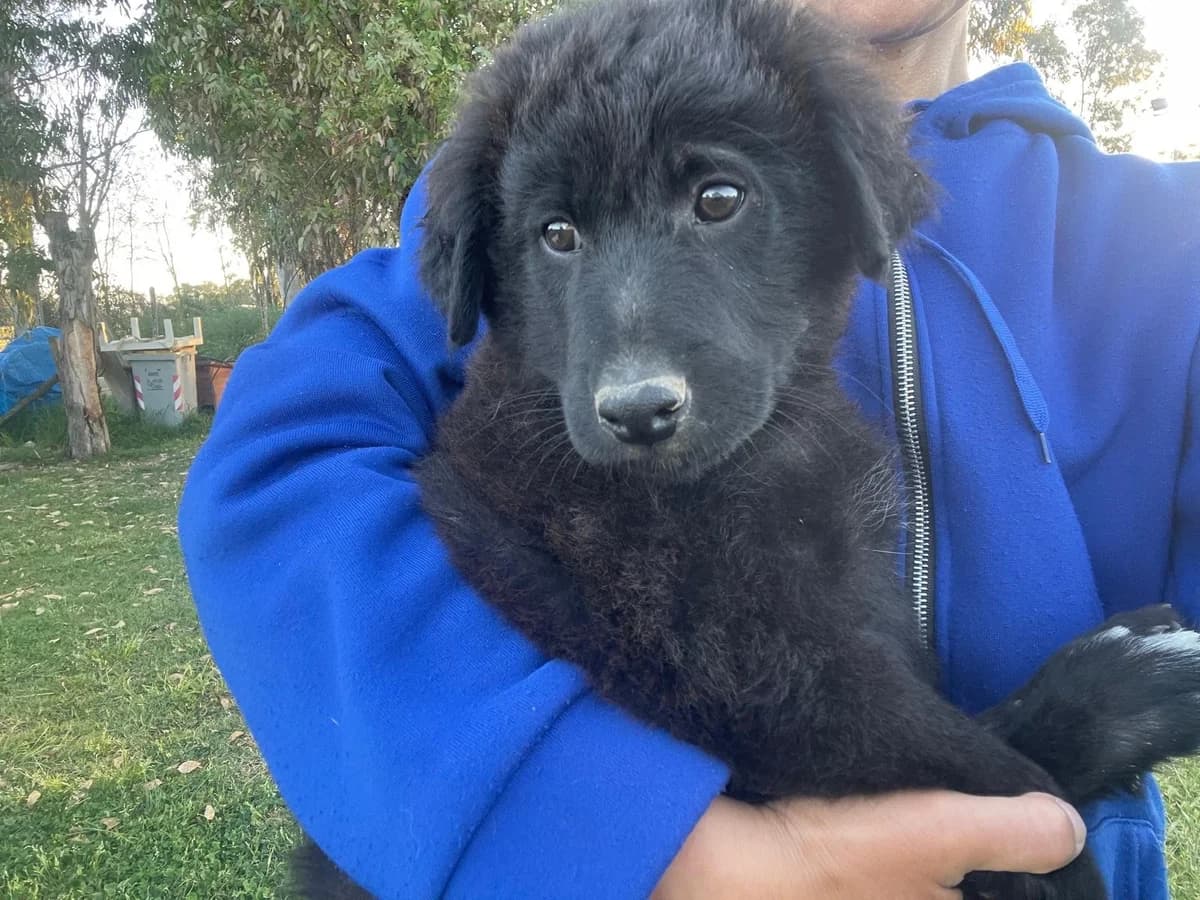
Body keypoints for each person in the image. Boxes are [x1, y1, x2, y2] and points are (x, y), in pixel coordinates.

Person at [177, 0, 1200, 896]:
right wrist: (659, 852)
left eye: (714, 200)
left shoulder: (1161, 250)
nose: (632, 368)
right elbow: (270, 469)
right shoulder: (522, 144)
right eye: (561, 237)